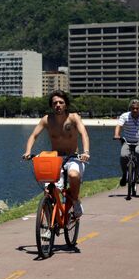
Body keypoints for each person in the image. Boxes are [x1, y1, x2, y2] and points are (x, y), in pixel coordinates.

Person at [23, 90, 90, 218]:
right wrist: (28, 151)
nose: (58, 105)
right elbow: (33, 135)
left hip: (73, 157)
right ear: (51, 105)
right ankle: (49, 226)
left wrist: (86, 152)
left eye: (61, 102)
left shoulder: (74, 117)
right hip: (55, 159)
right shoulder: (47, 120)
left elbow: (84, 135)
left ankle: (75, 200)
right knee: (49, 192)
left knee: (73, 175)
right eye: (55, 103)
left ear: (66, 105)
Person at [113, 99, 139, 185]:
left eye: (137, 108)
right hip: (127, 141)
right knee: (123, 155)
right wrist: (117, 135)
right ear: (130, 108)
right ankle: (124, 175)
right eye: (133, 108)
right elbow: (119, 126)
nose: (135, 110)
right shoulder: (125, 116)